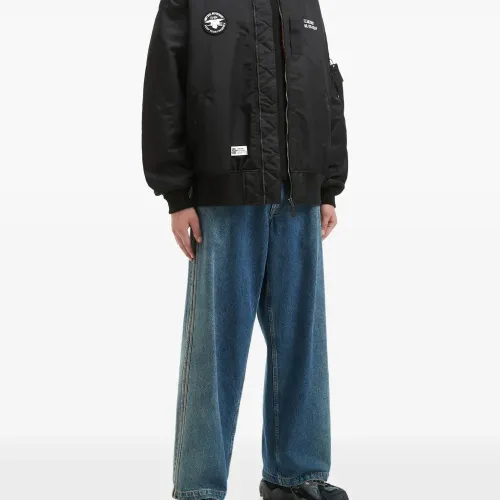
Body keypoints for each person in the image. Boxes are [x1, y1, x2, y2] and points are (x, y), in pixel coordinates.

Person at [142, 0, 348, 498]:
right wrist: (177, 194)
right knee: (216, 349)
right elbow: (164, 87)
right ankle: (199, 488)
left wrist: (327, 186)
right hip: (224, 195)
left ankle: (296, 477)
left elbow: (325, 87)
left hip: (298, 195)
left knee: (302, 342)